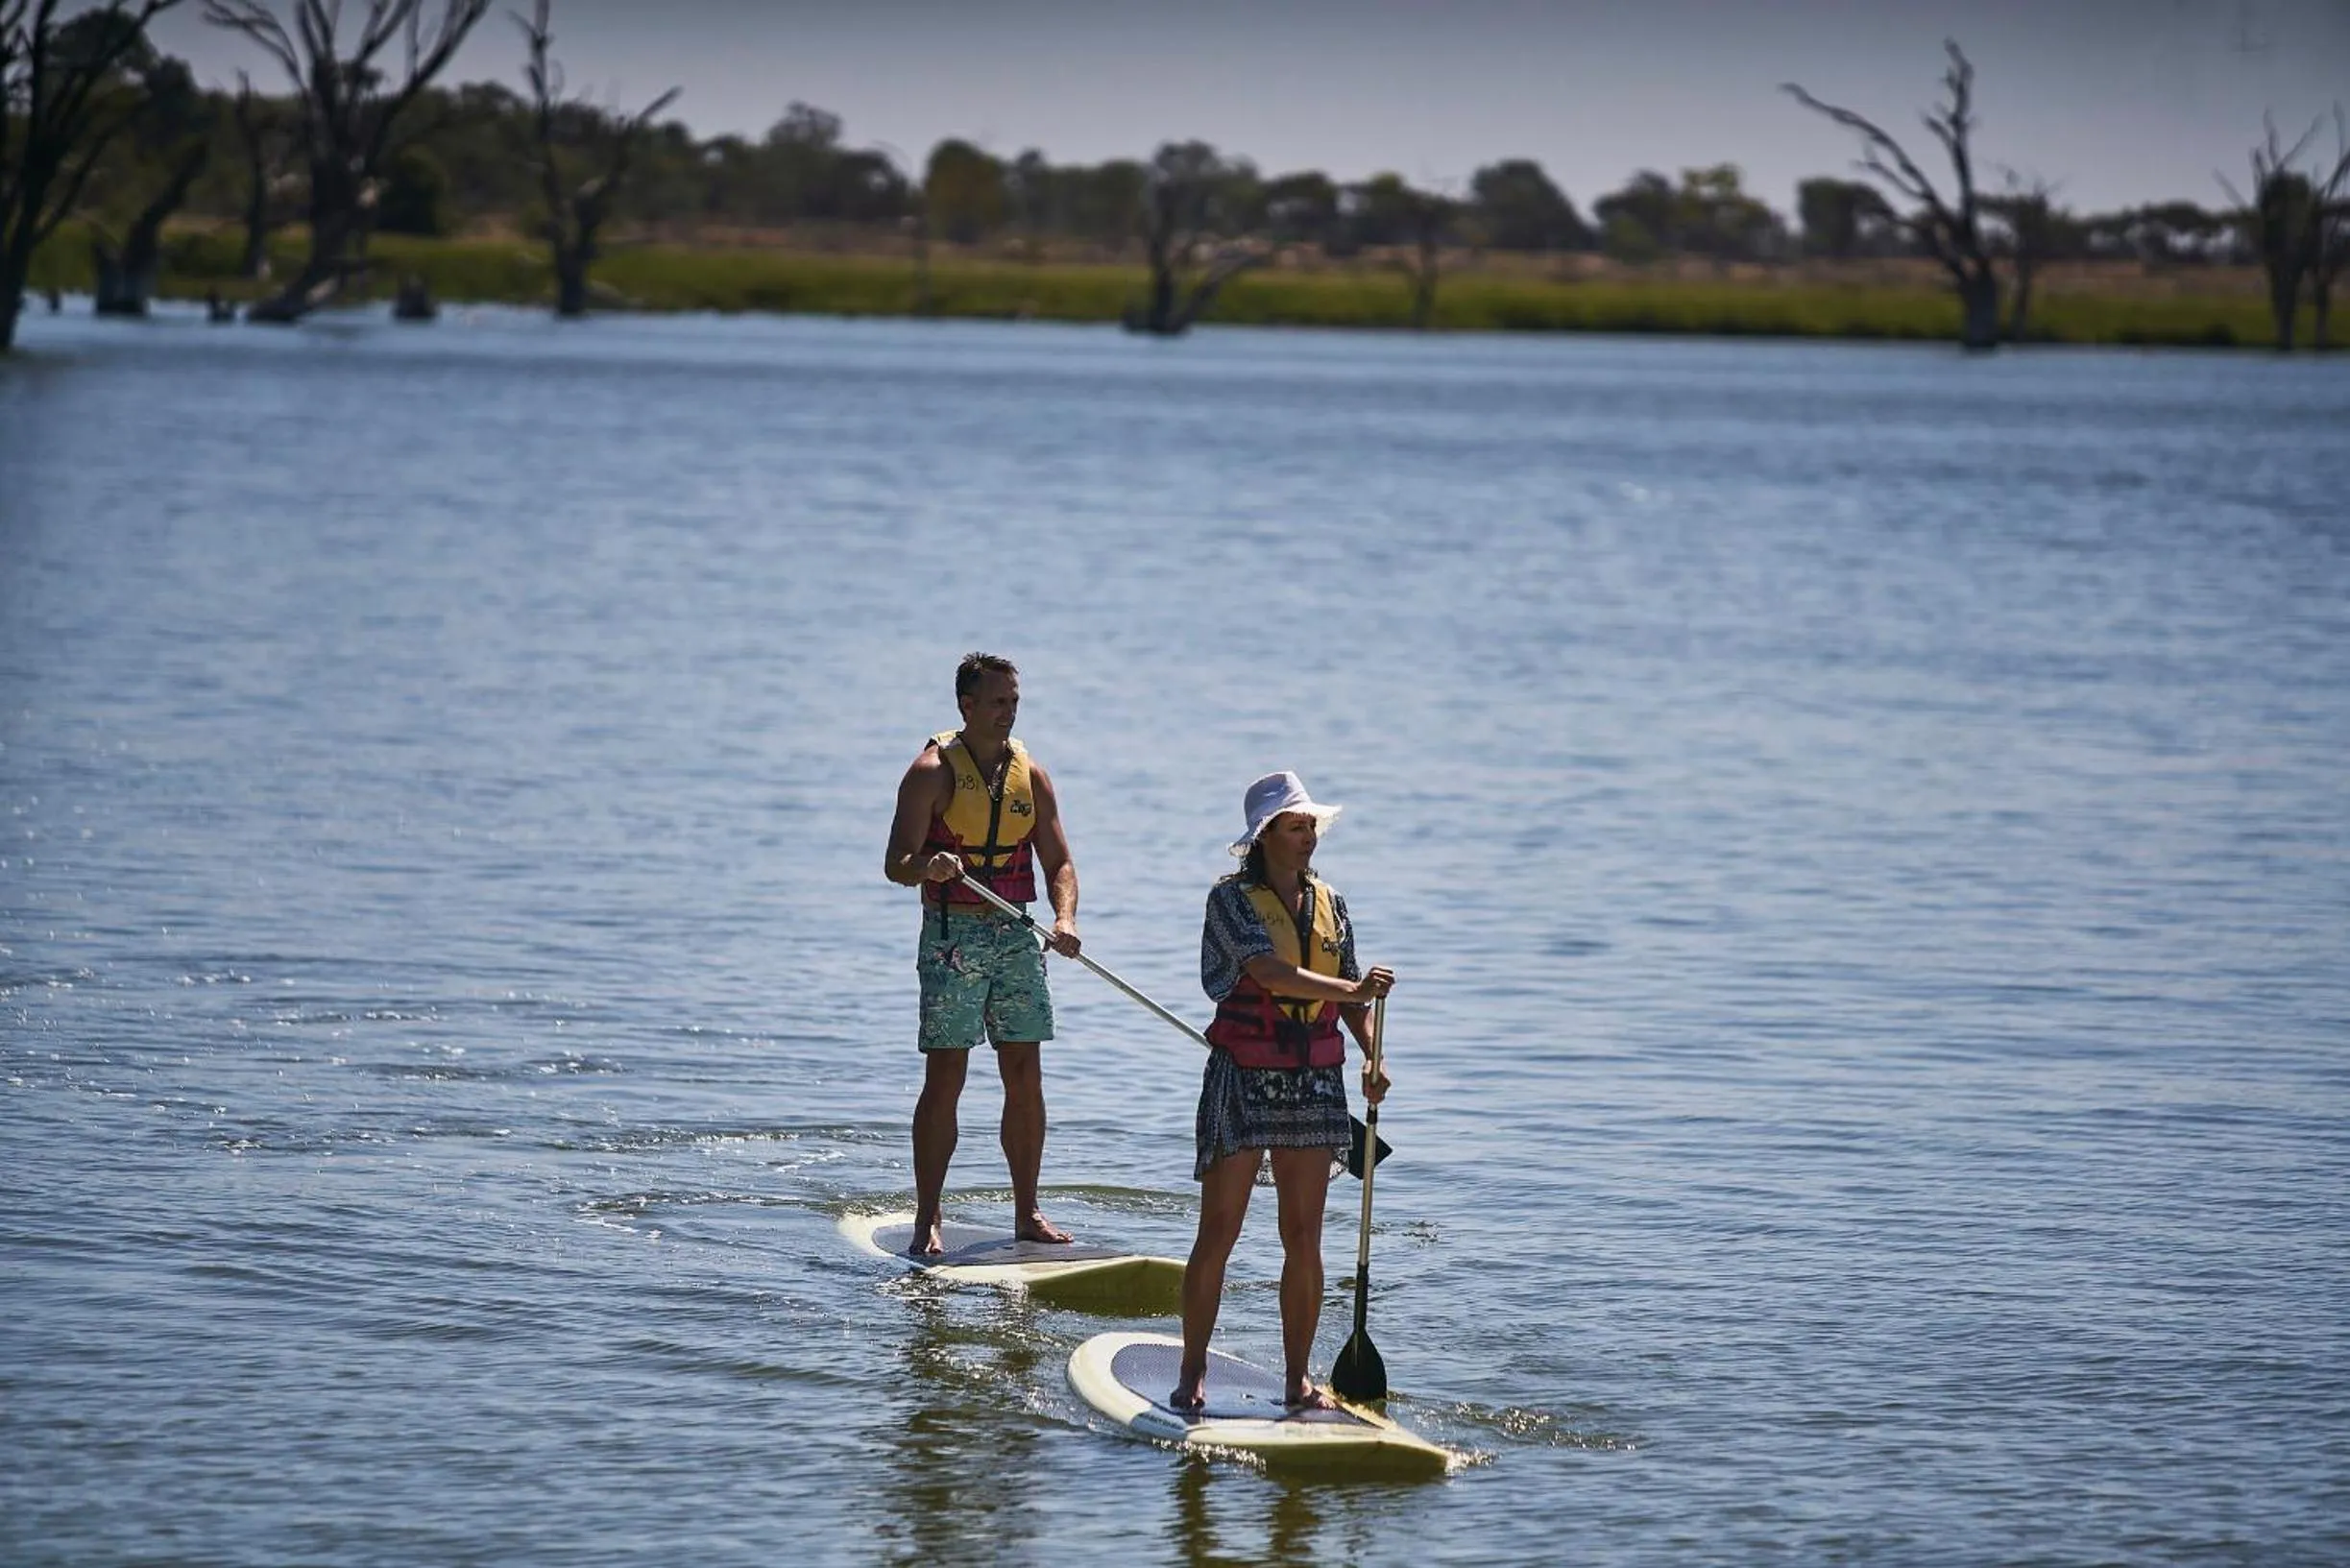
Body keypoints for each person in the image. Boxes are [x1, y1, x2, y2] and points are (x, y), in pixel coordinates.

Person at [1172, 771, 1393, 1412]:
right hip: (1243, 1076)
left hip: (1314, 1080)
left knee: (1303, 1235)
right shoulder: (1230, 901)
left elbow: (1349, 997)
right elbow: (1269, 972)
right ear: (1264, 836)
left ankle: (1297, 1381)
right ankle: (1191, 1374)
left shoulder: (1332, 903)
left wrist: (1373, 1054)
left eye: (1310, 826)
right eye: (1295, 827)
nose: (1308, 837)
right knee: (1220, 1230)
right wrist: (1353, 991)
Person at [884, 652, 1081, 1256]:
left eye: (1014, 701)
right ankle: (928, 1218)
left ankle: (1027, 1212)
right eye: (997, 702)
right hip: (954, 938)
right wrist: (929, 865)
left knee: (1025, 1073)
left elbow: (1060, 862)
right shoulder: (930, 773)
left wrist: (1065, 918)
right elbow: (896, 864)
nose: (1008, 712)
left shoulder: (1032, 775)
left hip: (1016, 933)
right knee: (947, 1074)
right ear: (966, 706)